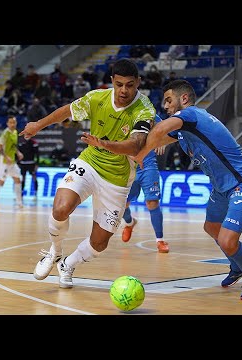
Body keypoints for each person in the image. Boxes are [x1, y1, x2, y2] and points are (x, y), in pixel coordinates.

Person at [116, 79, 242, 300]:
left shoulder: (192, 115)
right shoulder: (183, 128)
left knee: (227, 240)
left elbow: (160, 130)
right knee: (211, 227)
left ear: (183, 99)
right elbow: (159, 136)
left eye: (168, 100)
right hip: (221, 187)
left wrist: (139, 154)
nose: (165, 106)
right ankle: (237, 266)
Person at [20, 58, 155, 289]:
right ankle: (55, 252)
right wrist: (38, 125)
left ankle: (68, 264)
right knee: (60, 208)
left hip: (117, 178)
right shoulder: (96, 98)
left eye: (130, 85)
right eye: (119, 84)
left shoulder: (144, 109)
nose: (124, 90)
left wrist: (104, 144)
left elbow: (135, 145)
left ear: (138, 83)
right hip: (90, 163)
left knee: (99, 243)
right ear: (112, 81)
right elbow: (67, 111)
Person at [121, 114, 169, 253]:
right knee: (122, 204)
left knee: (152, 202)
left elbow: (166, 128)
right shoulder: (120, 115)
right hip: (129, 166)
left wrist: (164, 141)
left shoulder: (149, 112)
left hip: (148, 165)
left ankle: (160, 240)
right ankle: (130, 223)